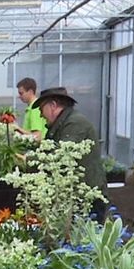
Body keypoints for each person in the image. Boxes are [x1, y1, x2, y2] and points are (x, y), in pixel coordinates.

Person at [33, 87, 109, 220]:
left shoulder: (74, 123)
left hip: (87, 197)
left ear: (53, 105)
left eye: (41, 109)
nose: (40, 115)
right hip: (76, 194)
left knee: (85, 236)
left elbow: (60, 155)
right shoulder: (63, 122)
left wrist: (27, 160)